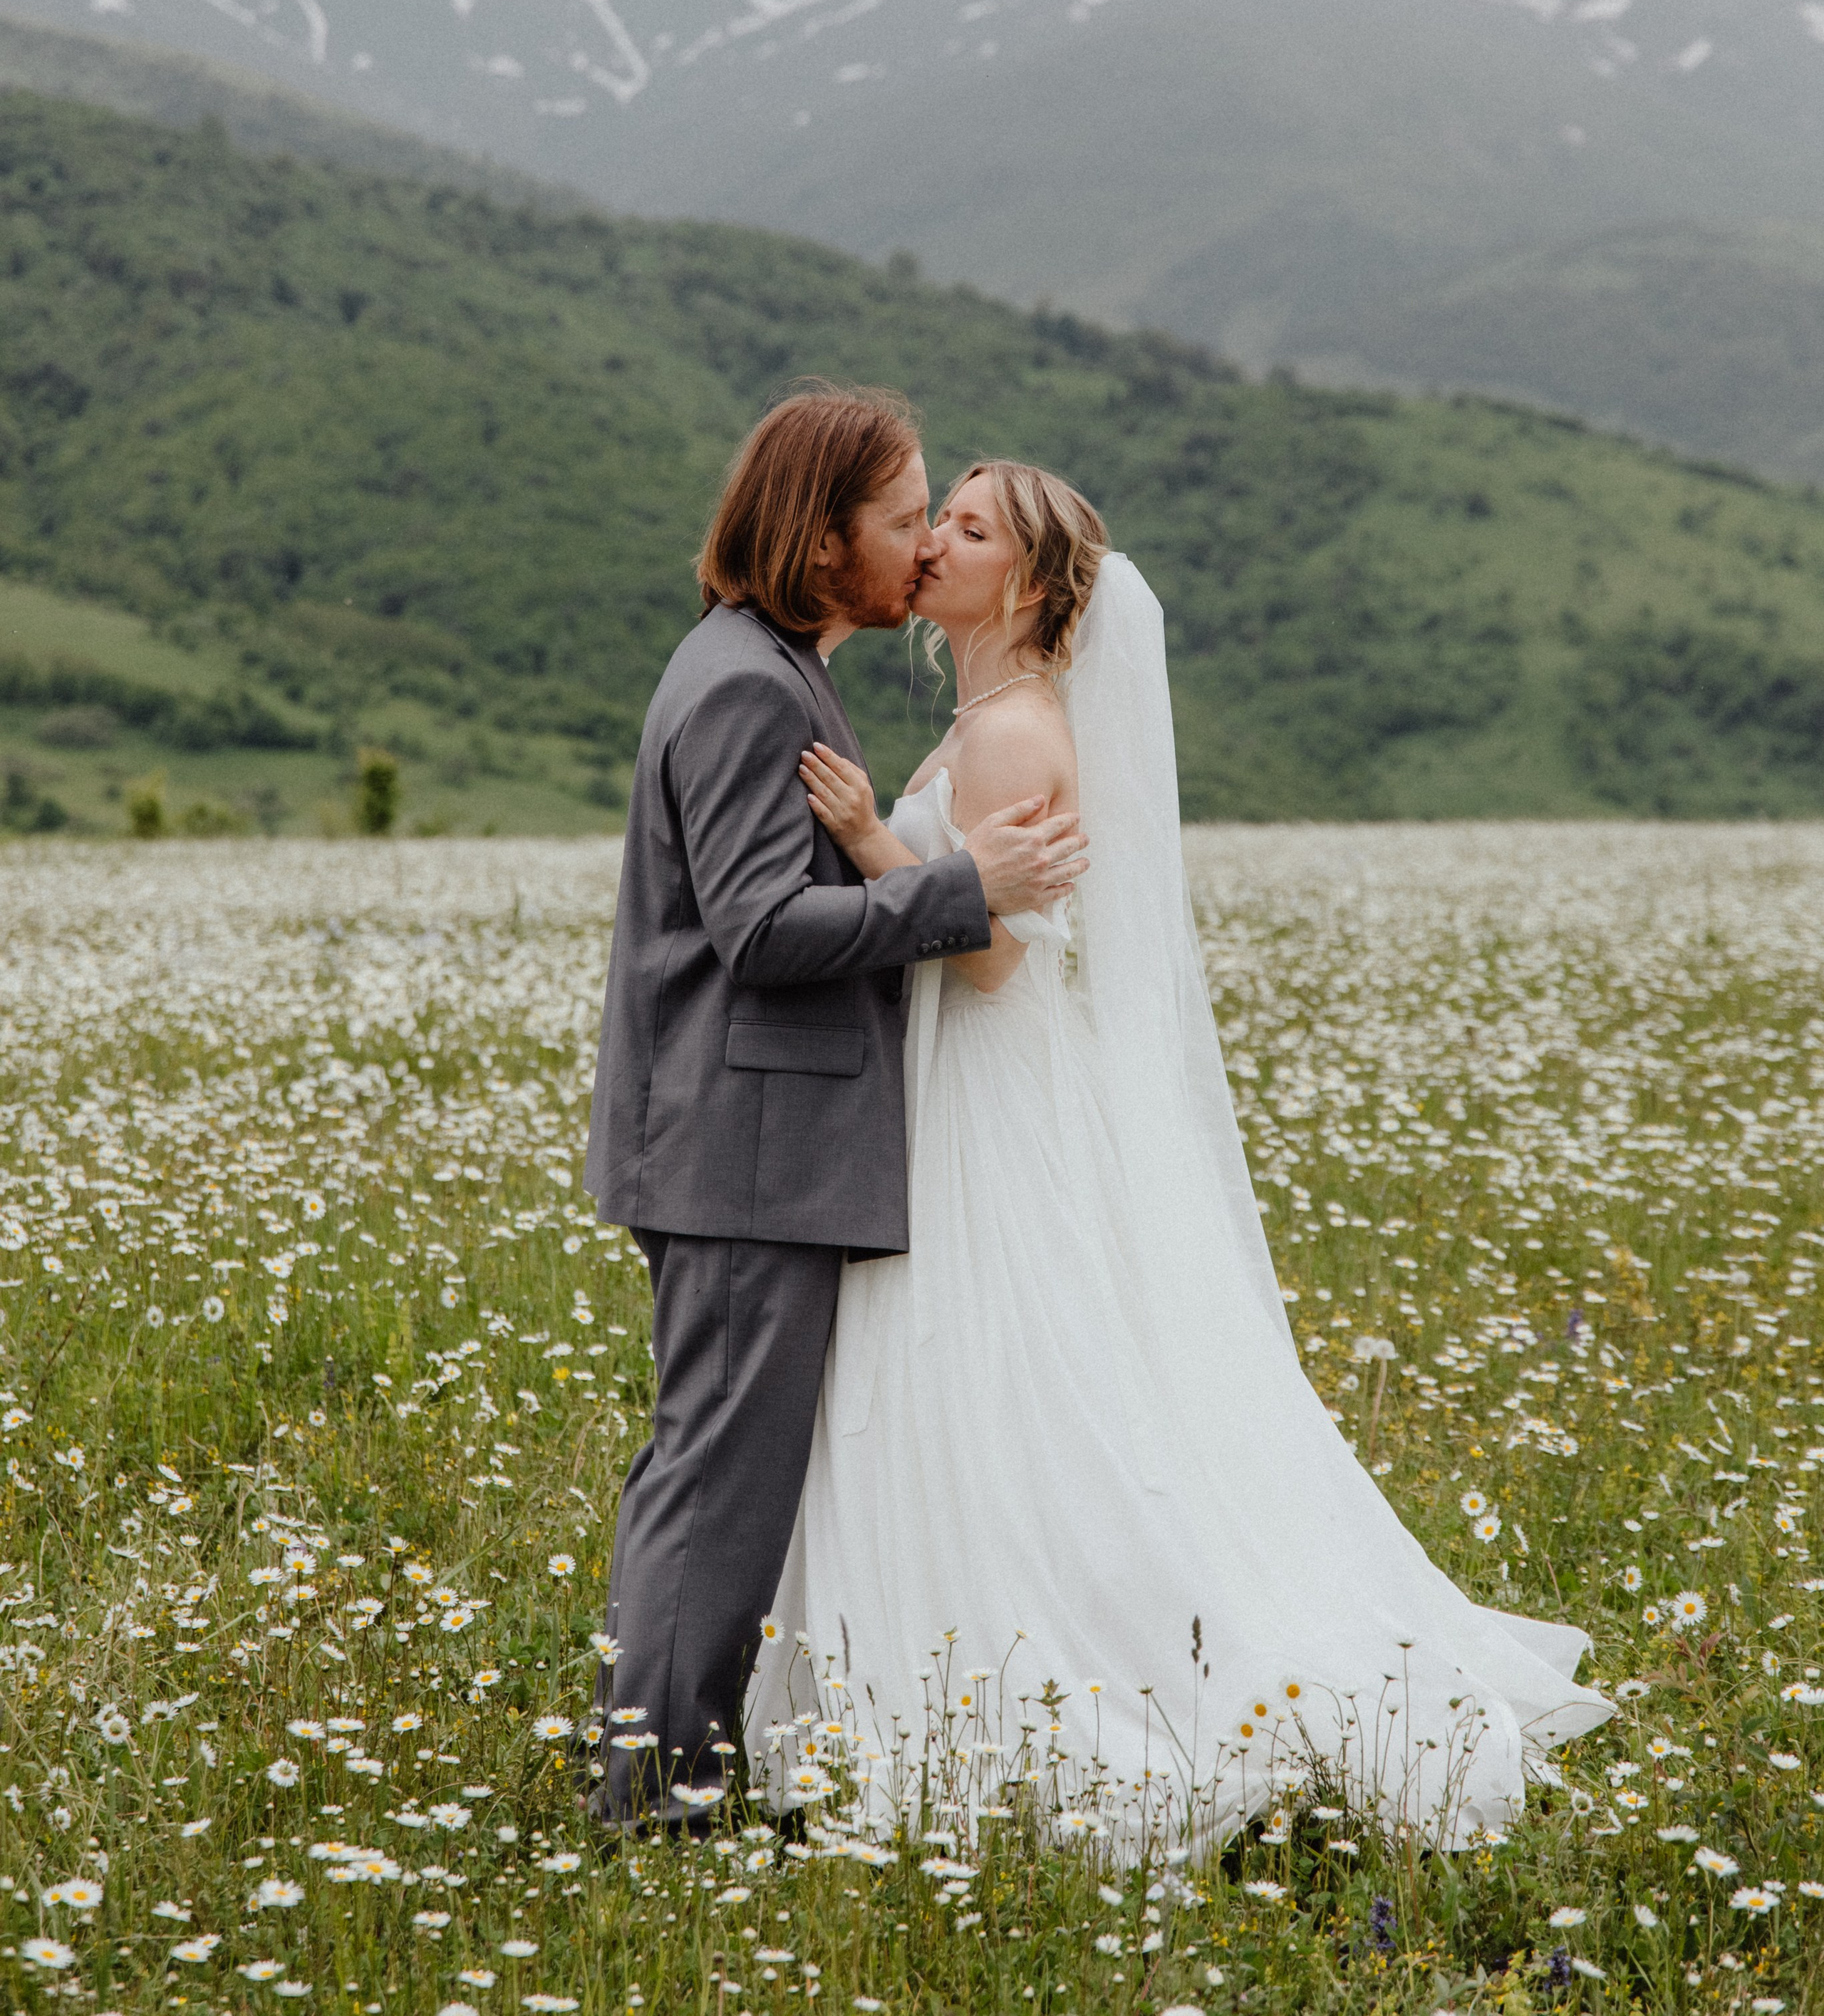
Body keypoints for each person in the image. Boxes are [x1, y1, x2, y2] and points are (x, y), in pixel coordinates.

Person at [745, 459, 1610, 1851]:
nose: (933, 546)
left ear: (1021, 583)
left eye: (964, 531)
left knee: (1000, 1375)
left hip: (985, 1089)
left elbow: (989, 963)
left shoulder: (1013, 733)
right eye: (940, 521)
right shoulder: (983, 717)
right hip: (956, 1084)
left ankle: (1054, 1676)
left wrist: (860, 838)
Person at [581, 389, 1089, 1829]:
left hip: (739, 1142)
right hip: (746, 1151)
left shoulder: (758, 663)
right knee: (715, 1485)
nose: (919, 541)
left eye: (939, 515)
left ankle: (653, 1765)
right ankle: (656, 1804)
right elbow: (758, 929)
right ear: (819, 538)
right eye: (900, 515)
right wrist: (958, 890)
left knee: (703, 1469)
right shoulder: (747, 682)